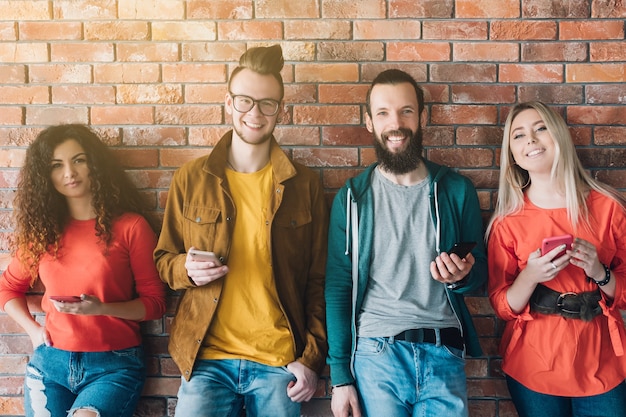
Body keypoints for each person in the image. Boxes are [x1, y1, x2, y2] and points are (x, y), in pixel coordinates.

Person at [153, 44, 329, 417]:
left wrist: (312, 359)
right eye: (246, 100)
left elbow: (320, 281)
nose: (256, 113)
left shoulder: (305, 186)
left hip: (279, 362)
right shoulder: (191, 178)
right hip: (206, 361)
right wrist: (185, 267)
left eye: (268, 103)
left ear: (280, 110)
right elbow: (163, 260)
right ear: (229, 103)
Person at [325, 69, 487, 417]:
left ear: (422, 117)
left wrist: (461, 276)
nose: (395, 123)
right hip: (374, 355)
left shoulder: (457, 190)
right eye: (383, 112)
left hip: (444, 351)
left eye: (406, 111)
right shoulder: (352, 198)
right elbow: (339, 287)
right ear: (369, 121)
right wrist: (340, 378)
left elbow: (481, 273)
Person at [0, 124, 167, 417]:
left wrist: (101, 308)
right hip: (50, 364)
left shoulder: (131, 227)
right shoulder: (42, 232)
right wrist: (33, 330)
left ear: (94, 164)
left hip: (114, 365)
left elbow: (155, 304)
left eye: (78, 160)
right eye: (56, 165)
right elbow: (8, 288)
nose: (69, 172)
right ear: (45, 175)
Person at [486, 101, 626, 417]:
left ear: (559, 135)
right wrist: (531, 275)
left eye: (540, 129)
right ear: (512, 154)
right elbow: (502, 305)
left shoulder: (608, 208)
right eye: (518, 136)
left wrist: (599, 272)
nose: (531, 141)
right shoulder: (507, 221)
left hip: (602, 364)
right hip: (534, 364)